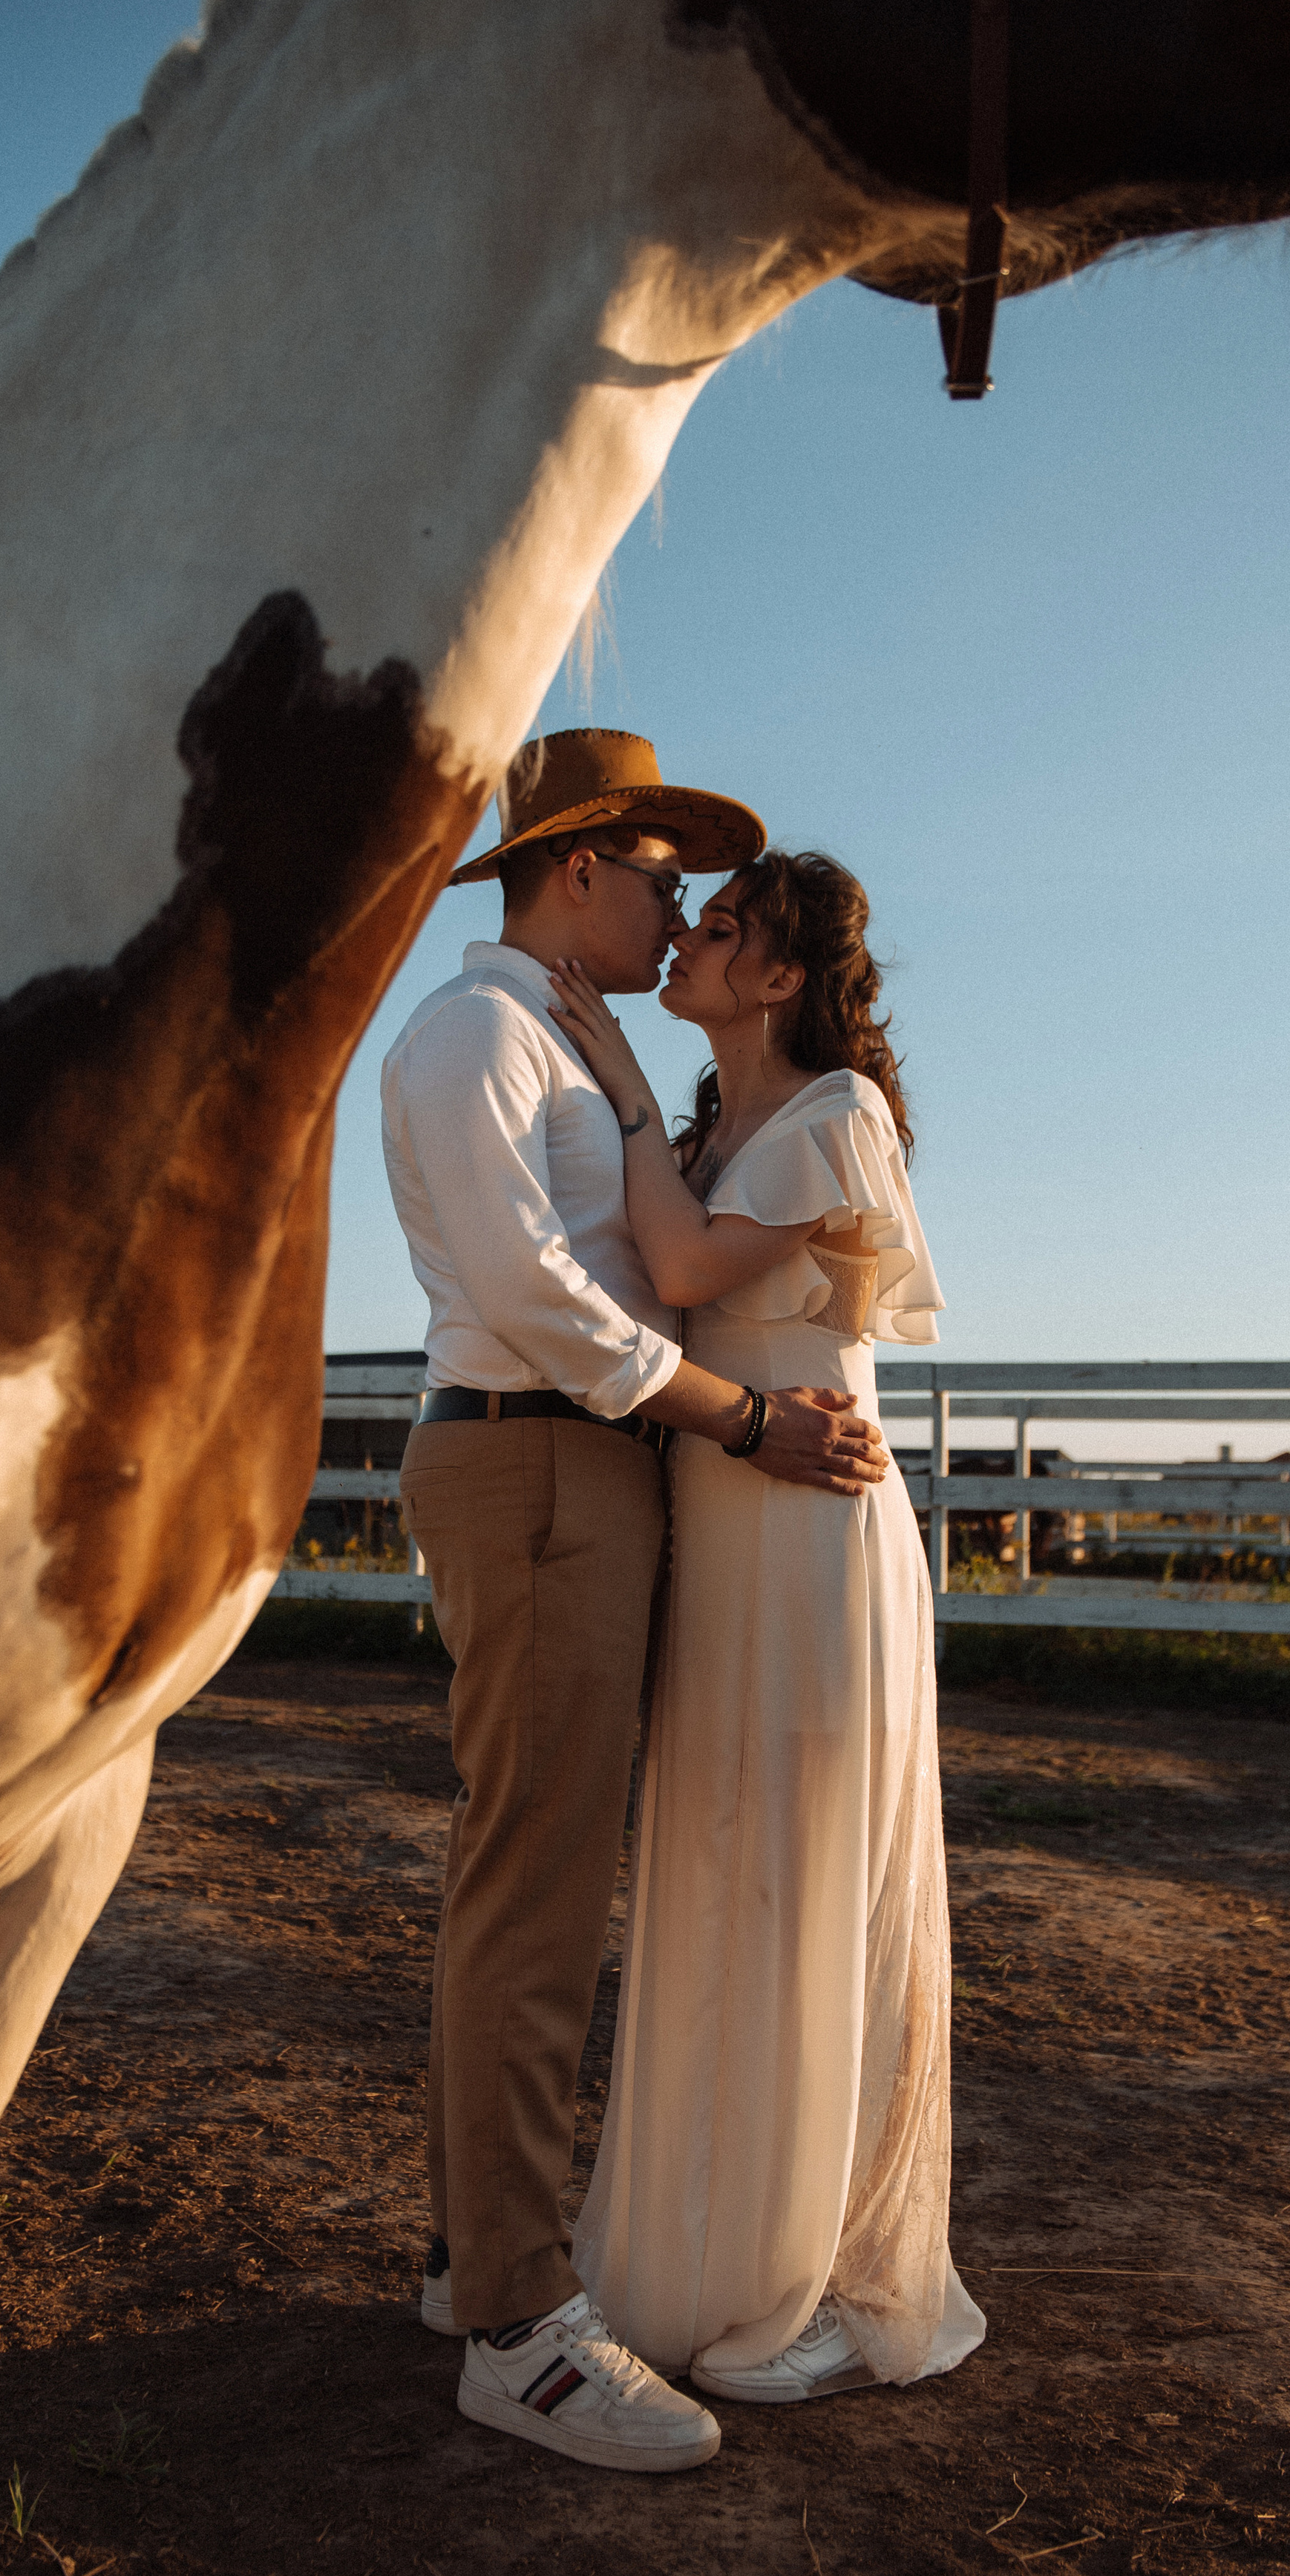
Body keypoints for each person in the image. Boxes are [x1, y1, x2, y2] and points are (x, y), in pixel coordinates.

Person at [381, 733, 891, 2474]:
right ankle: (519, 2325)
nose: (674, 900)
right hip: (535, 1460)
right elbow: (538, 1298)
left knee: (531, 1868)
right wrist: (743, 1419)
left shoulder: (552, 1044)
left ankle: (476, 2265)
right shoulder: (474, 1036)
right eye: (661, 872)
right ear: (578, 866)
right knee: (531, 1890)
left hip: (585, 1470)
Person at [546, 848, 986, 2404]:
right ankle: (698, 2244)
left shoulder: (831, 1119)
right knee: (719, 1871)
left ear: (781, 975)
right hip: (716, 1527)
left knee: (802, 1880)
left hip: (808, 1538)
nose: (685, 938)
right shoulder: (710, 1125)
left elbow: (677, 1268)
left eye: (718, 928)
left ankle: (804, 2279)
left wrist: (602, 1066)